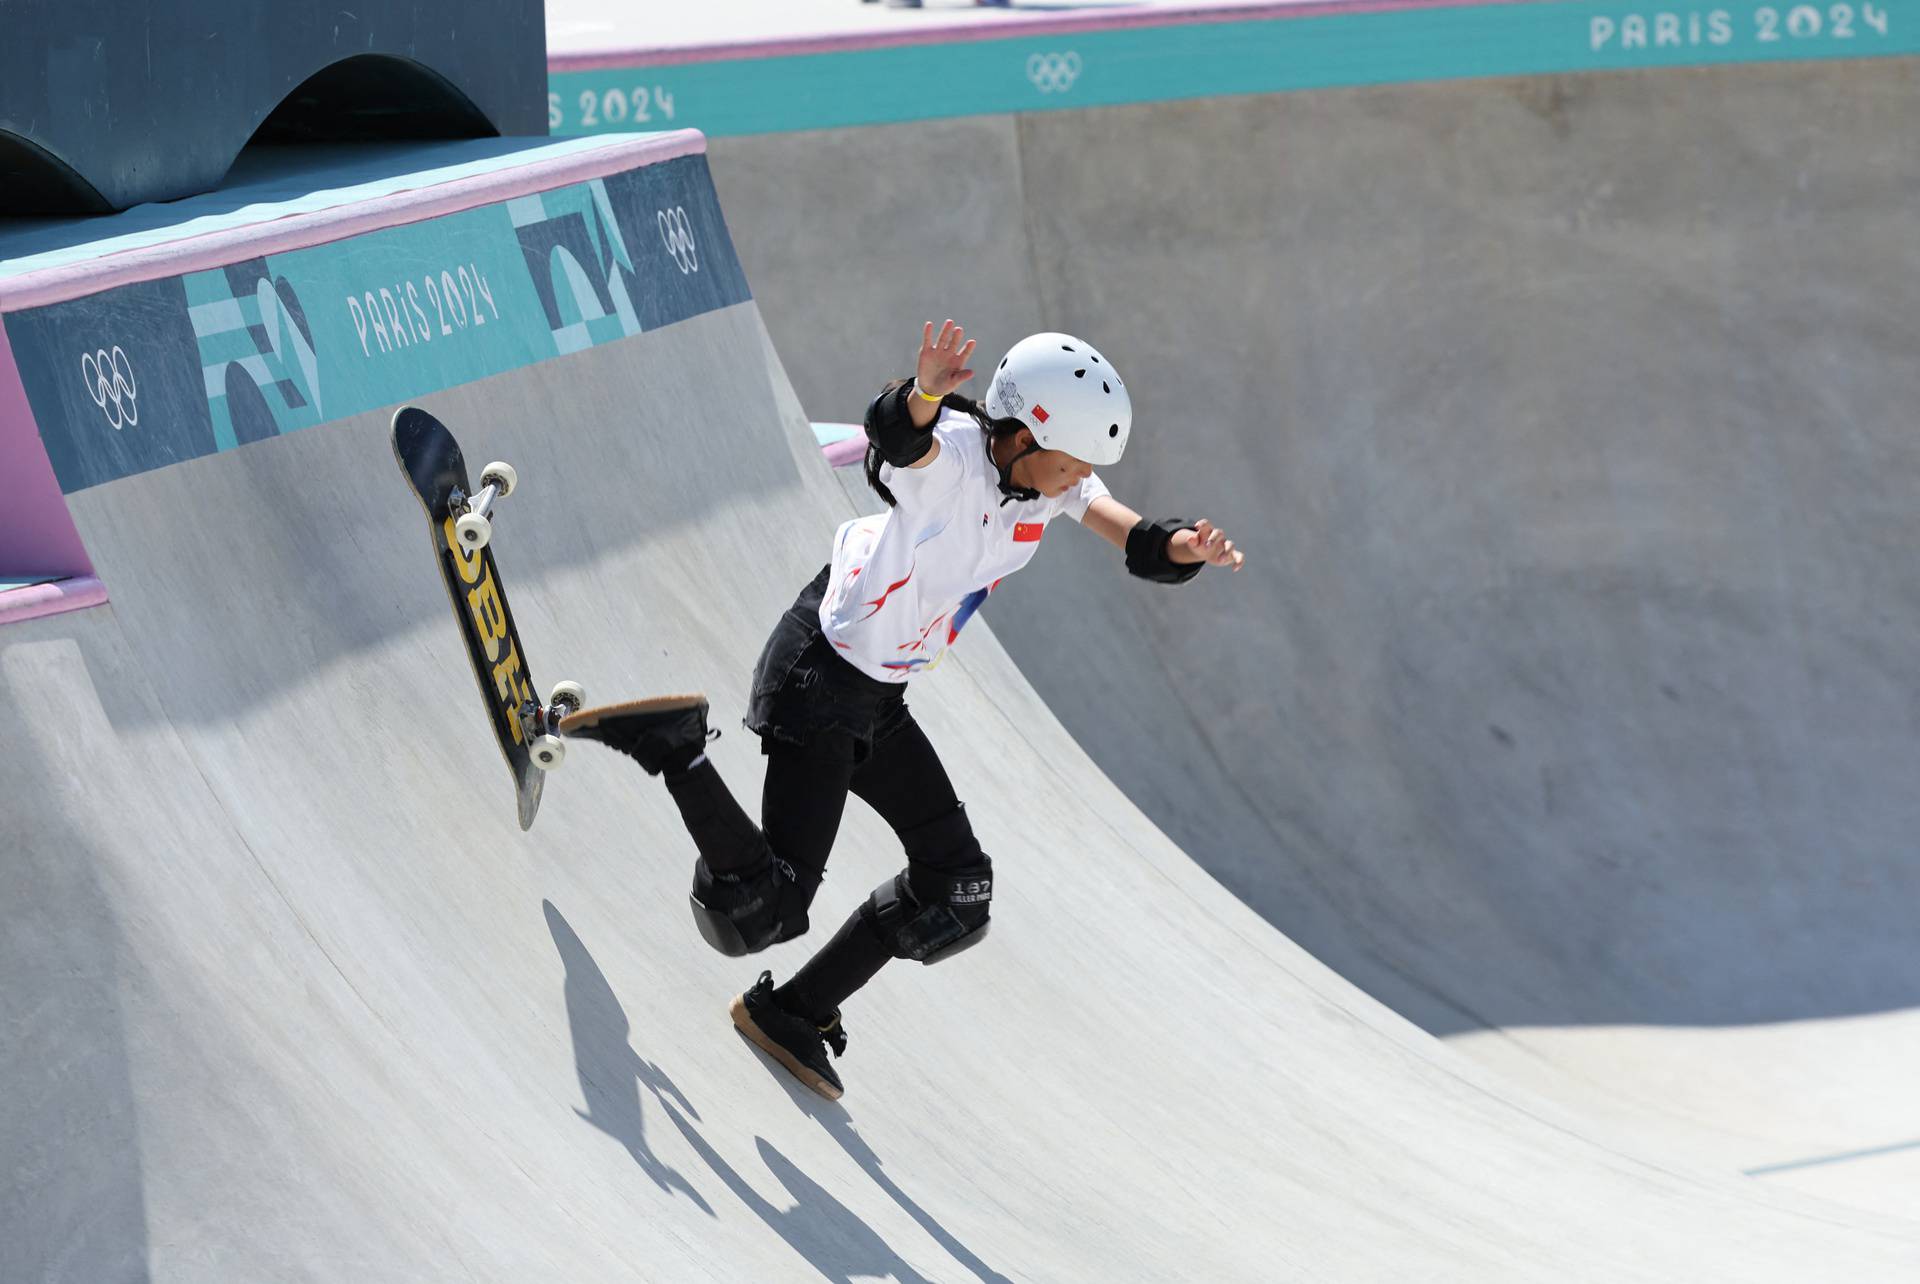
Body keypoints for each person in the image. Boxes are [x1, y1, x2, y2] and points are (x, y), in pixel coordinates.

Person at [563, 320, 1244, 1099]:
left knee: (957, 887)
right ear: (1020, 436)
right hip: (818, 678)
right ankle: (674, 750)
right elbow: (897, 438)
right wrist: (923, 392)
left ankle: (793, 1012)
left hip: (878, 698)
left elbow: (1133, 535)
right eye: (1068, 464)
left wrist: (1184, 546)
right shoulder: (951, 458)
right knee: (760, 914)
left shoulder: (1052, 483)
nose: (1074, 481)